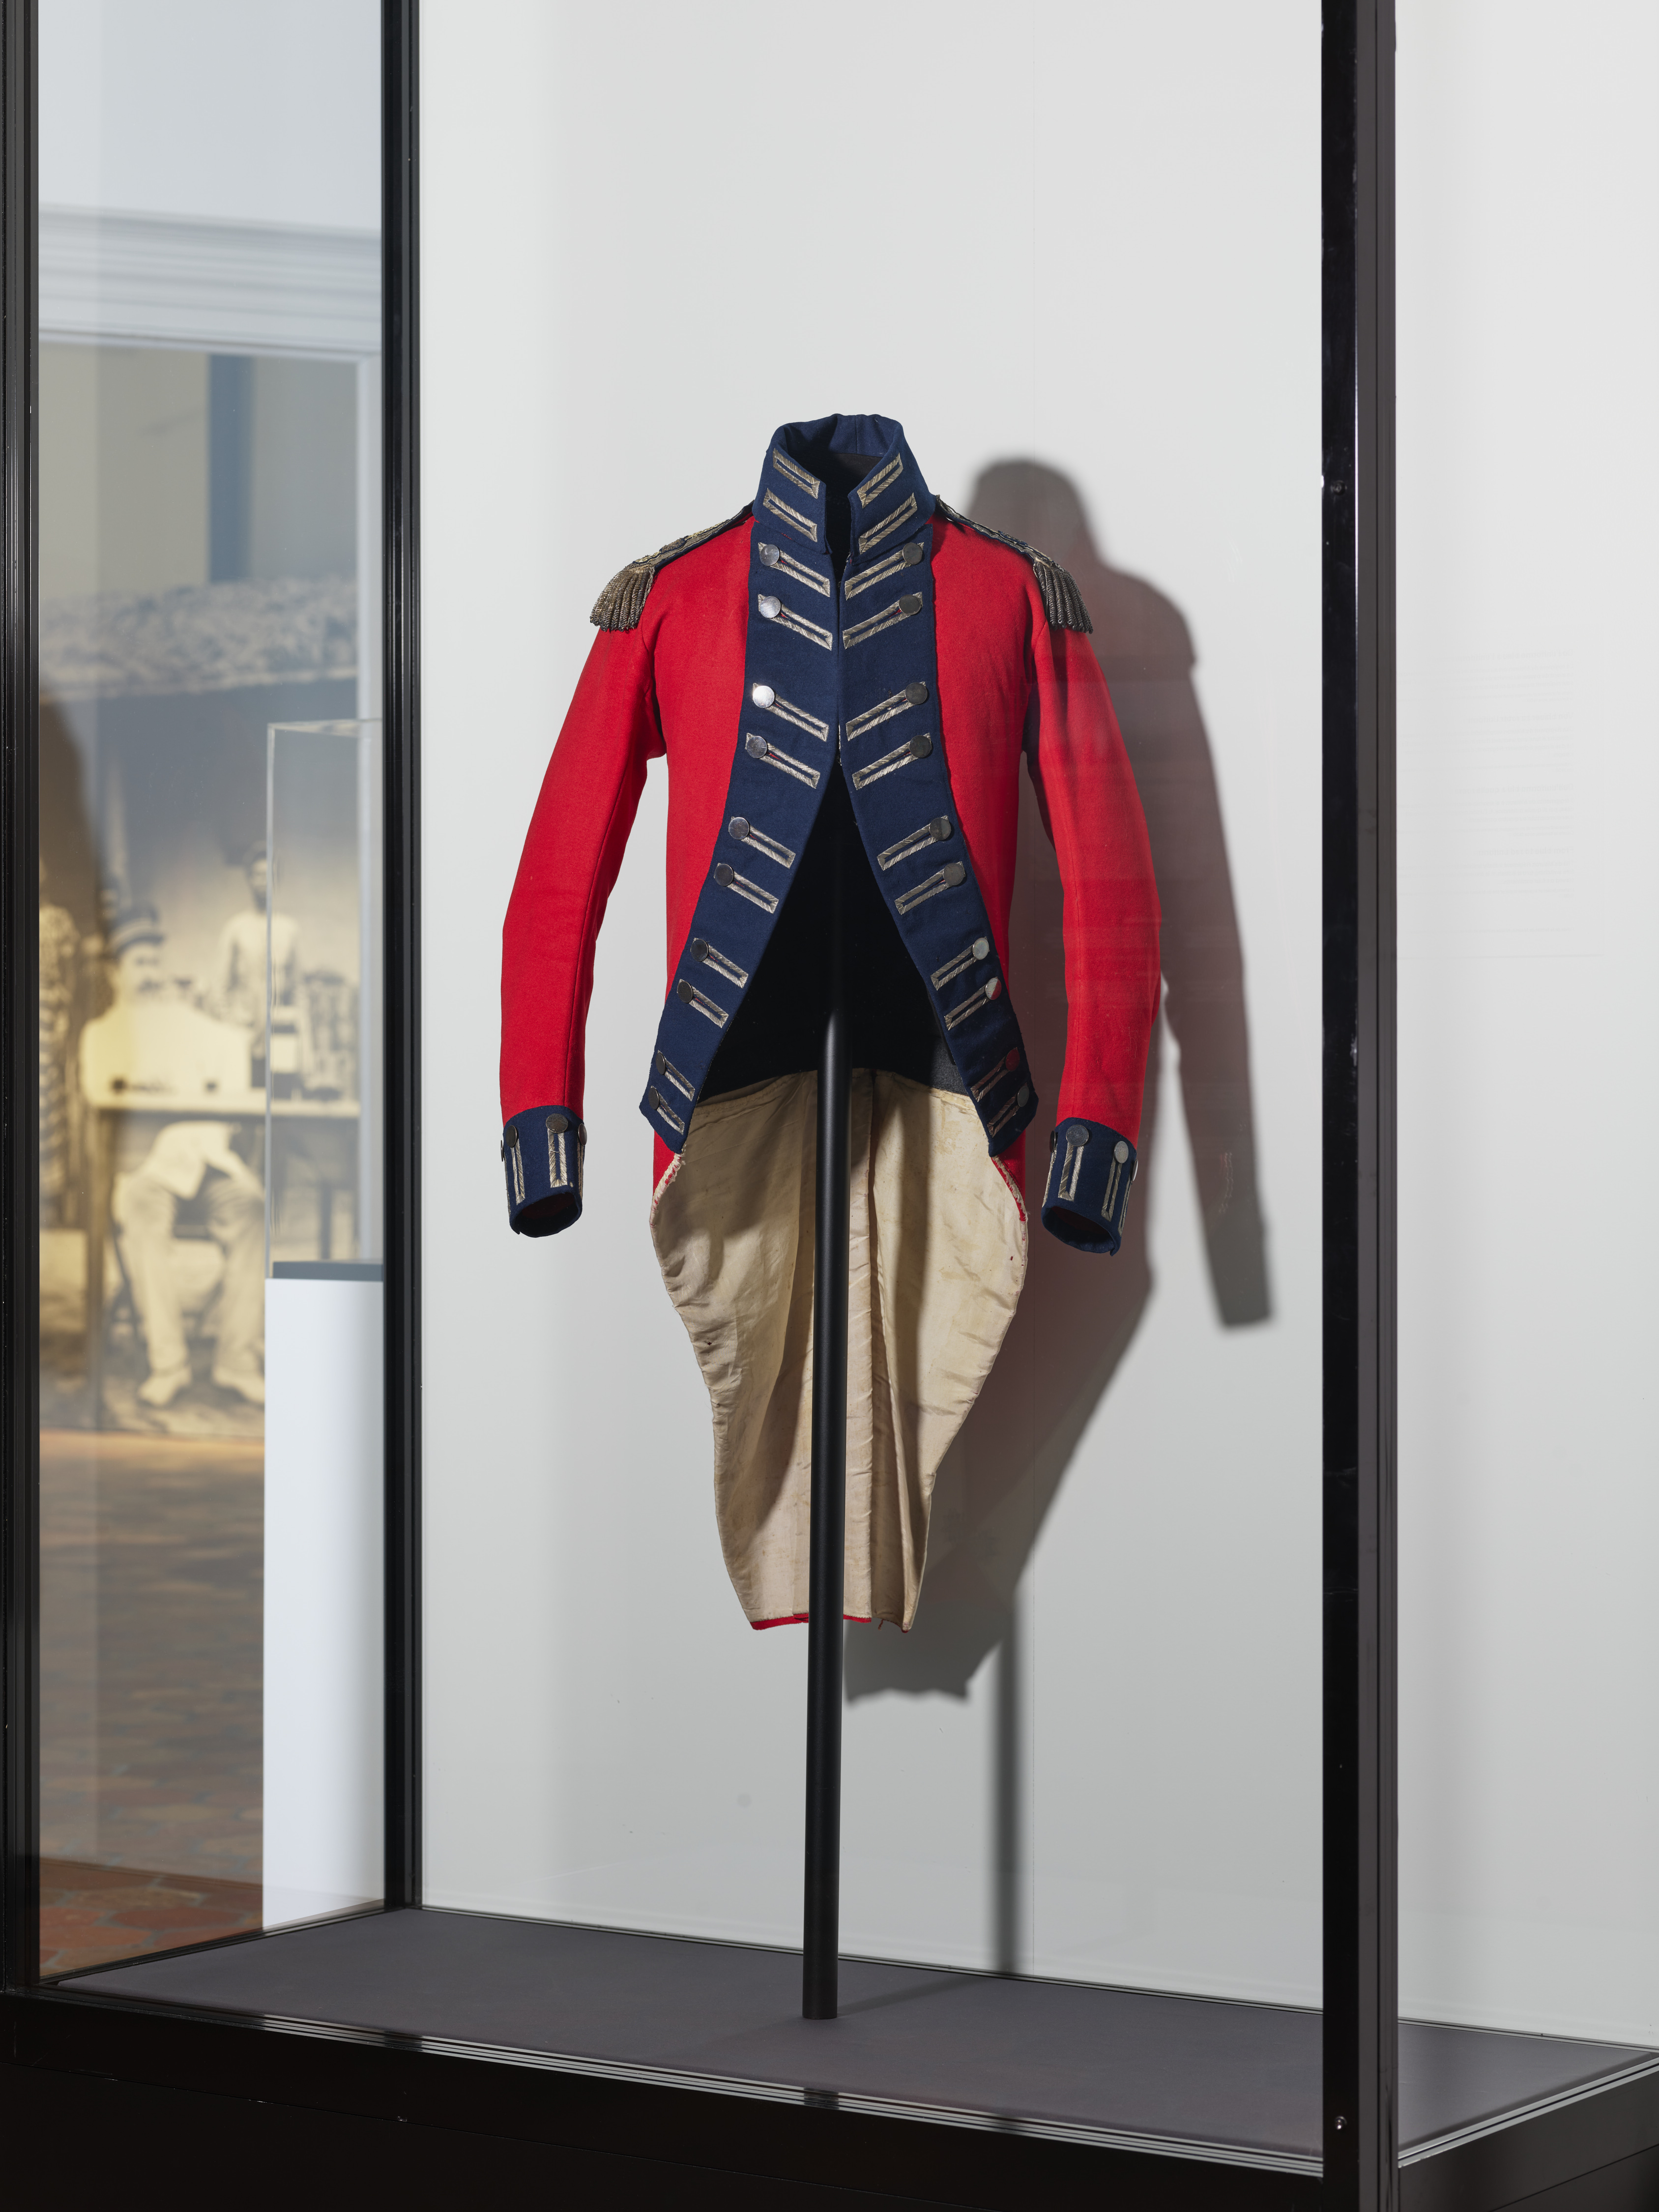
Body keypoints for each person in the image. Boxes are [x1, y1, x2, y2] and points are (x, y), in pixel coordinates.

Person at [79, 904, 265, 1409]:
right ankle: (170, 1364)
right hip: (143, 1169)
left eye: (156, 963)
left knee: (252, 1206)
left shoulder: (184, 1023)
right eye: (140, 964)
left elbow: (230, 1049)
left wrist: (243, 1028)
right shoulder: (101, 1035)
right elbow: (102, 1098)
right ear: (116, 973)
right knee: (142, 1211)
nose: (152, 975)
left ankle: (237, 1361)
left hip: (204, 1163)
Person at [38, 856, 79, 1226]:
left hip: (48, 1013)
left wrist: (64, 1015)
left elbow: (69, 976)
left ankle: (50, 1192)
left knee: (47, 1097)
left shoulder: (58, 920)